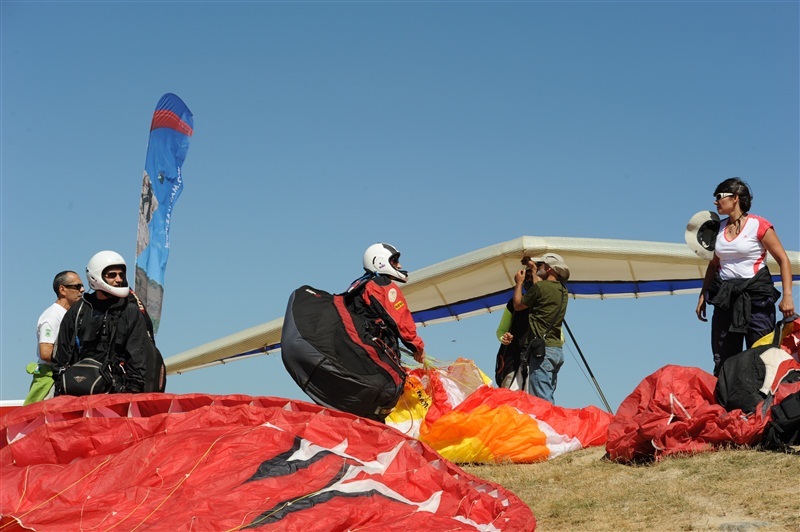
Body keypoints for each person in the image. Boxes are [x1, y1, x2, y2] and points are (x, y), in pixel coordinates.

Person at [695, 177, 795, 375]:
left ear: (735, 198)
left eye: (719, 197)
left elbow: (783, 259)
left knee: (761, 356)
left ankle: (760, 405)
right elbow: (714, 264)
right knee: (723, 359)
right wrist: (703, 294)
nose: (715, 202)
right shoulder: (718, 228)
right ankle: (726, 404)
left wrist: (788, 296)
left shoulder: (759, 225)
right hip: (726, 299)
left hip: (756, 299)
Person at [54, 250, 164, 395]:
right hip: (78, 393)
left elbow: (138, 356)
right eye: (112, 275)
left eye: (121, 275)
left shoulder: (130, 310)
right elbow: (62, 355)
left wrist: (131, 394)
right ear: (96, 276)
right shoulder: (78, 310)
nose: (118, 279)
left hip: (116, 393)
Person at [348, 243, 426, 364]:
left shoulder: (357, 287)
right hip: (378, 357)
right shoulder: (380, 284)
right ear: (380, 262)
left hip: (357, 355)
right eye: (394, 261)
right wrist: (417, 346)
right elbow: (400, 318)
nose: (399, 266)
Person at [513, 253, 570, 403]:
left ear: (549, 268)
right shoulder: (563, 290)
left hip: (542, 353)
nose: (539, 268)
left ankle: (550, 426)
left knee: (541, 402)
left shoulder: (541, 288)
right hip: (556, 351)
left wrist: (519, 283)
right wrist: (533, 268)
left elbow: (518, 305)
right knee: (547, 394)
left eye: (541, 265)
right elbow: (541, 288)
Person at [24, 271, 85, 405]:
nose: (82, 290)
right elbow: (45, 353)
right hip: (51, 382)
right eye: (77, 286)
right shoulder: (52, 316)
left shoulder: (68, 315)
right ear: (62, 290)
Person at [495, 257, 534, 389]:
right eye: (526, 277)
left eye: (532, 276)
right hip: (513, 358)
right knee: (510, 398)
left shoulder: (545, 305)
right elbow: (501, 330)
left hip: (533, 359)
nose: (529, 280)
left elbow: (560, 337)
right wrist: (504, 338)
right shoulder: (513, 304)